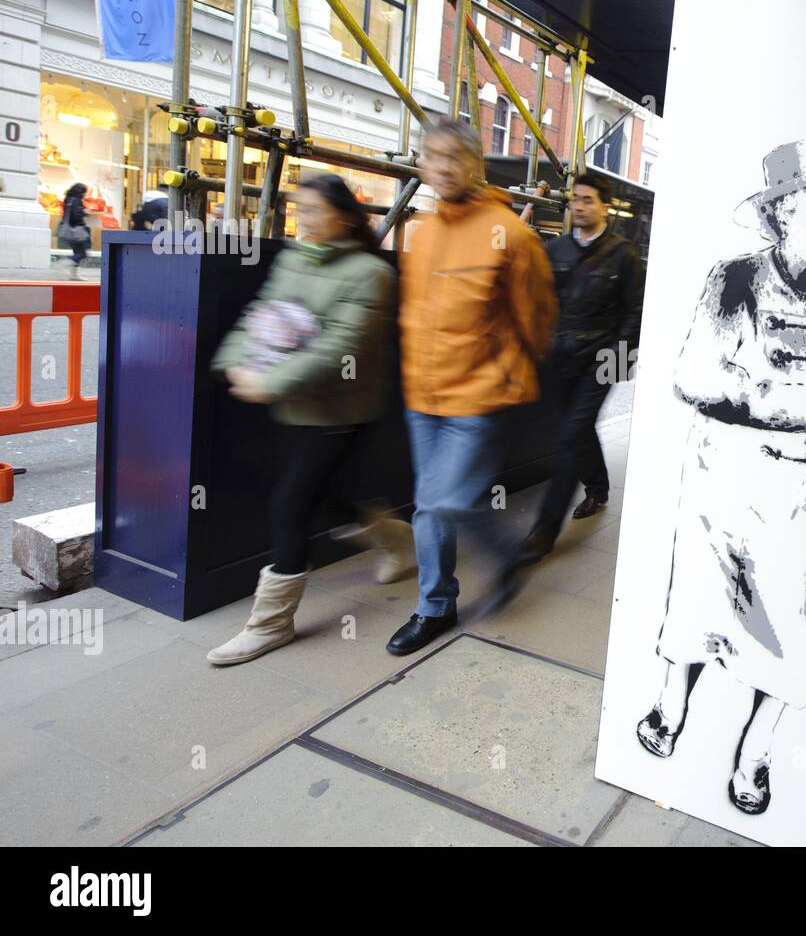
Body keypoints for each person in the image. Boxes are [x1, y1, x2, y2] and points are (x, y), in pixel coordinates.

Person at [634, 135, 806, 815]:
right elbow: (695, 378)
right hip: (722, 476)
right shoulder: (733, 280)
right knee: (697, 603)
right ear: (781, 213)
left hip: (803, 492)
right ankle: (672, 704)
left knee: (788, 626)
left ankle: (753, 754)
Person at [206, 173, 407, 666]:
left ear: (344, 215)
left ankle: (271, 624)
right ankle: (397, 538)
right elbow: (263, 313)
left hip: (338, 408)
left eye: (315, 210)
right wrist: (235, 358)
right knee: (325, 495)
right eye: (301, 210)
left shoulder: (371, 273)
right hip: (293, 403)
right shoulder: (296, 257)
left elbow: (342, 345)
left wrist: (269, 382)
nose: (306, 219)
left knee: (290, 505)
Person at [385, 119, 556, 656]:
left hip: (479, 394)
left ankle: (441, 601)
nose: (440, 168)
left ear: (475, 164)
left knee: (438, 502)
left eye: (452, 158)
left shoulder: (511, 232)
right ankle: (451, 594)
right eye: (429, 157)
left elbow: (537, 318)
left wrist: (507, 365)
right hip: (423, 395)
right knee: (431, 503)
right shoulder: (421, 231)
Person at [517, 173, 644, 563]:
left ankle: (544, 530)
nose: (579, 206)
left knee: (570, 437)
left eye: (588, 200)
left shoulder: (624, 255)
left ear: (605, 206)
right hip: (559, 357)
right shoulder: (556, 250)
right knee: (574, 428)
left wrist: (616, 360)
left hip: (599, 360)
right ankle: (599, 487)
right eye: (576, 199)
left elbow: (634, 312)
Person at [56, 183, 94, 279]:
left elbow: (68, 214)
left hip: (68, 229)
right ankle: (66, 262)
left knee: (77, 251)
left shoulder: (68, 199)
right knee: (82, 253)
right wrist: (85, 212)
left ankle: (74, 275)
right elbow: (76, 215)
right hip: (77, 229)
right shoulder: (76, 200)